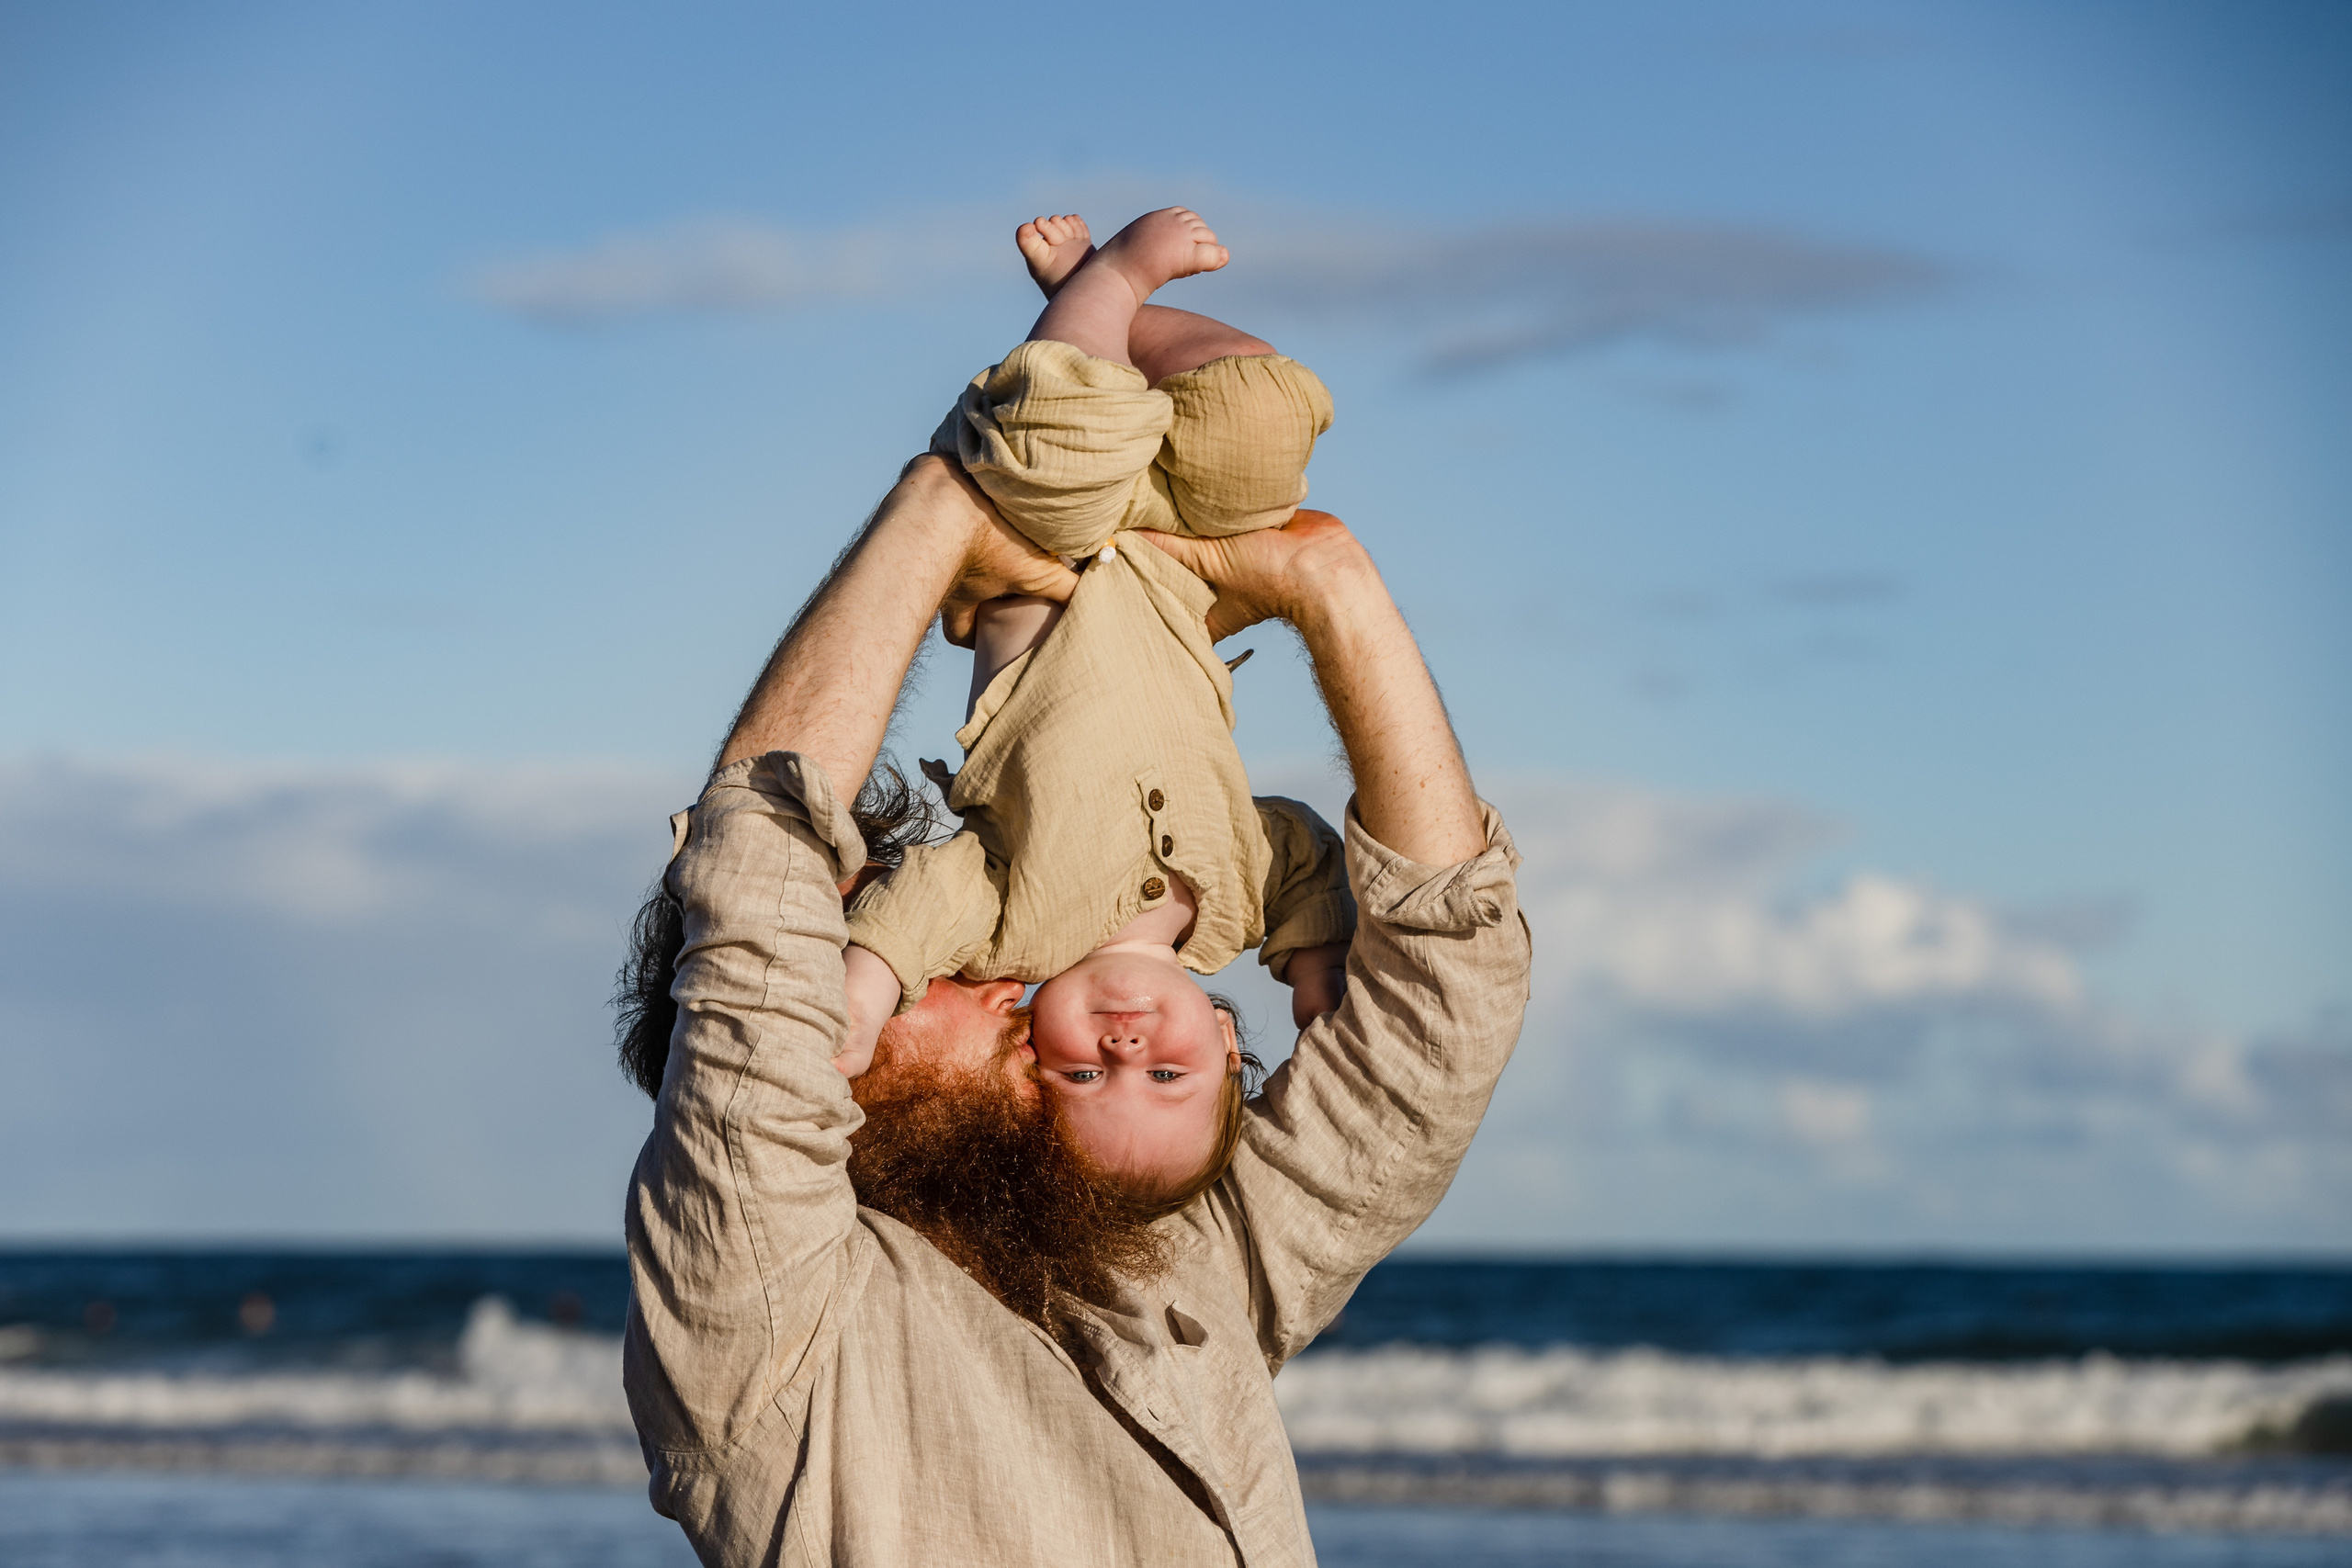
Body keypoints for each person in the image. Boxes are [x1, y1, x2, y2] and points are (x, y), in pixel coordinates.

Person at [622, 457, 1529, 1566]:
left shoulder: (1178, 1253)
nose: (1008, 979)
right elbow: (760, 912)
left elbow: (1442, 1009)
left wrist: (1332, 587)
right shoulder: (769, 1323)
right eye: (931, 968)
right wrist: (946, 502)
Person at [835, 207, 1351, 1207]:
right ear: (1227, 1036)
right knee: (1261, 415)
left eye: (1083, 1073)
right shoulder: (1235, 908)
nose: (1124, 1046)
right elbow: (1299, 846)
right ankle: (1110, 308)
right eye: (1167, 1073)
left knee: (1060, 433)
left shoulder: (1011, 930)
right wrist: (1317, 955)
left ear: (1030, 1046)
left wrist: (863, 991)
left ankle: (1106, 285)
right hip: (1172, 571)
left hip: (1039, 551)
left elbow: (919, 907)